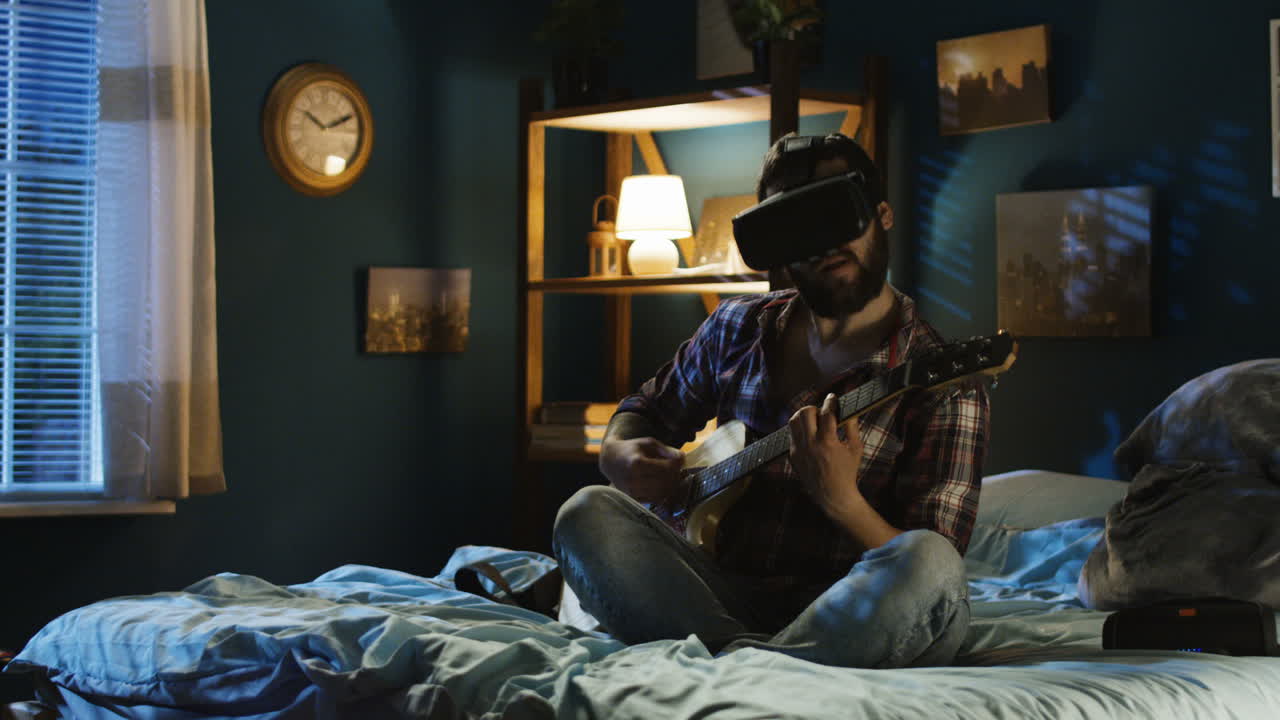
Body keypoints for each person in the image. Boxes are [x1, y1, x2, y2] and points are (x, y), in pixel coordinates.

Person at [552, 132, 991, 668]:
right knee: (586, 512)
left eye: (837, 217)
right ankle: (759, 668)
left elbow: (929, 557)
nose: (826, 246)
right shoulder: (736, 326)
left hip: (846, 607)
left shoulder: (942, 380)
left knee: (931, 564)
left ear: (882, 215)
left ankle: (735, 670)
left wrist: (840, 499)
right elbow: (643, 412)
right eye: (799, 226)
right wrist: (617, 453)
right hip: (716, 596)